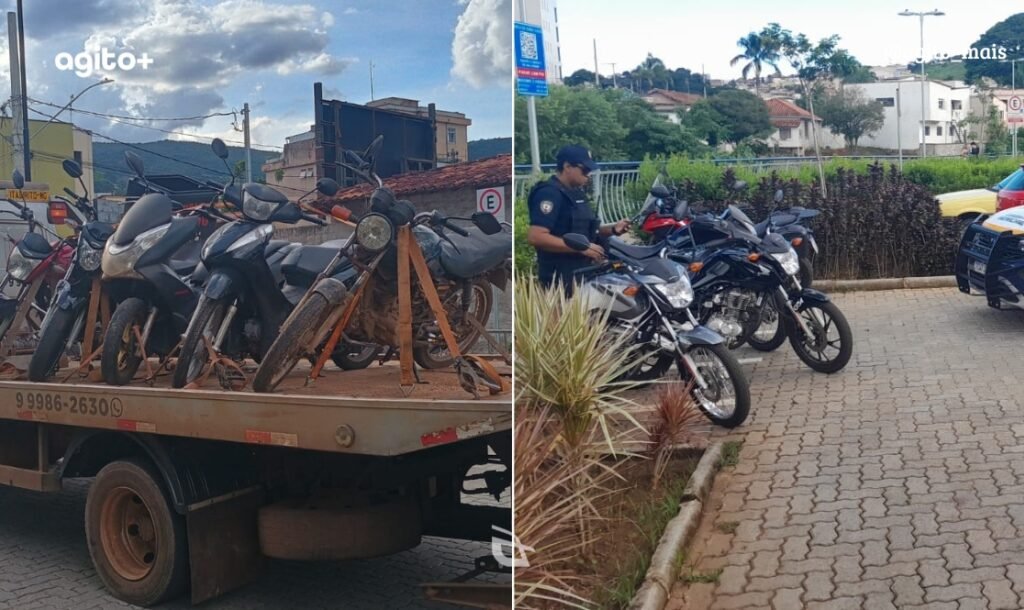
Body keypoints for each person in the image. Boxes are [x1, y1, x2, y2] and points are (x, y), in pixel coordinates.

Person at [526, 145, 630, 292]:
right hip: (559, 282)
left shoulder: (576, 194)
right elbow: (536, 237)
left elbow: (585, 232)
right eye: (585, 170)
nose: (588, 174)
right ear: (567, 166)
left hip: (583, 275)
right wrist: (583, 248)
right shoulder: (549, 193)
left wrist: (613, 230)